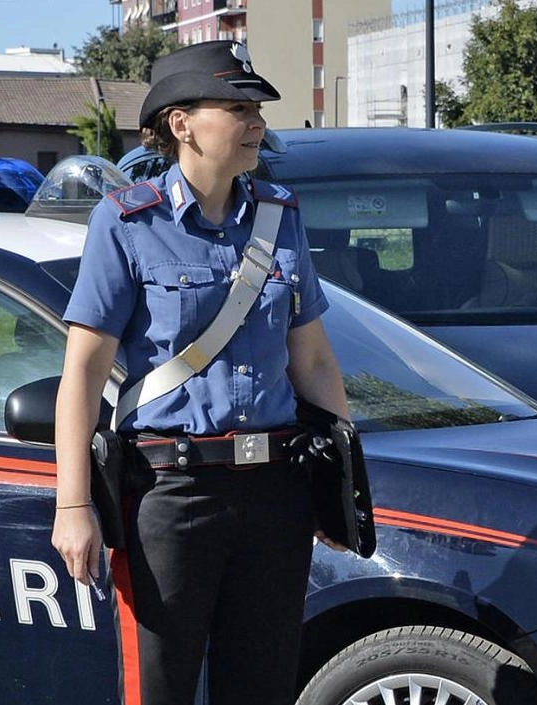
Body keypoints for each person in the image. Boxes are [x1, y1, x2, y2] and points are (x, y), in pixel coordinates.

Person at [51, 40, 350, 705]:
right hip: (171, 492)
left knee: (263, 686)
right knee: (160, 687)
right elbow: (82, 373)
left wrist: (342, 476)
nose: (256, 124)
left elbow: (315, 361)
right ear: (180, 123)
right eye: (236, 107)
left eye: (257, 110)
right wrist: (73, 503)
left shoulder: (280, 217)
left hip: (275, 491)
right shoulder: (127, 222)